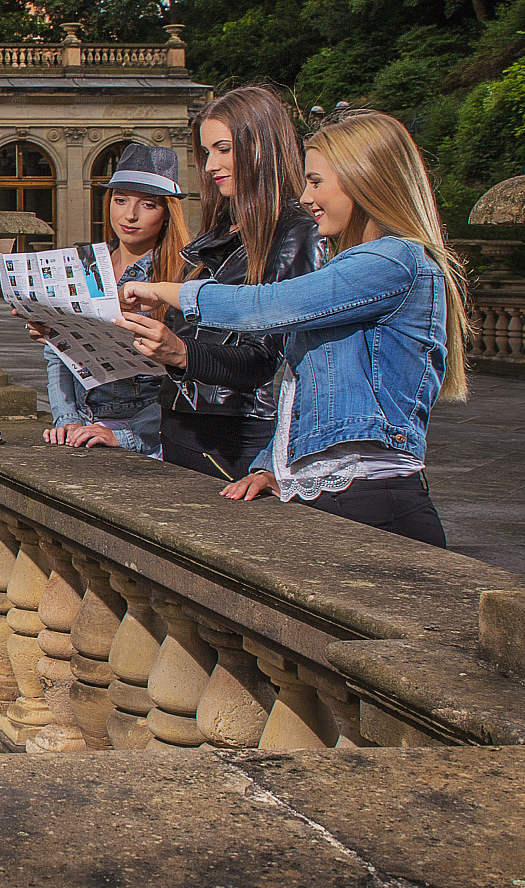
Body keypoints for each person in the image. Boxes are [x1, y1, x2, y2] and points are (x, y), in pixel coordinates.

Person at [122, 109, 468, 546]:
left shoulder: (394, 261)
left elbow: (265, 308)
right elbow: (300, 388)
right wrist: (274, 465)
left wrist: (166, 291)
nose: (305, 197)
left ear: (364, 179)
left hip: (373, 500)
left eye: (316, 181)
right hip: (333, 494)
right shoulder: (355, 265)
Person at [114, 88, 324, 480]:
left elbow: (267, 361)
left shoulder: (297, 235)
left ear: (262, 147)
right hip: (179, 420)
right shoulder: (223, 231)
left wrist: (181, 353)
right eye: (207, 152)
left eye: (223, 149)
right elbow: (199, 334)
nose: (210, 165)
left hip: (239, 433)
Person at [34, 142, 189, 454]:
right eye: (120, 200)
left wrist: (127, 435)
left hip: (145, 435)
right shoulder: (86, 264)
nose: (129, 215)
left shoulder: (181, 277)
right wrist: (65, 419)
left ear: (167, 212)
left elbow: (189, 375)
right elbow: (59, 357)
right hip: (80, 426)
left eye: (148, 205)